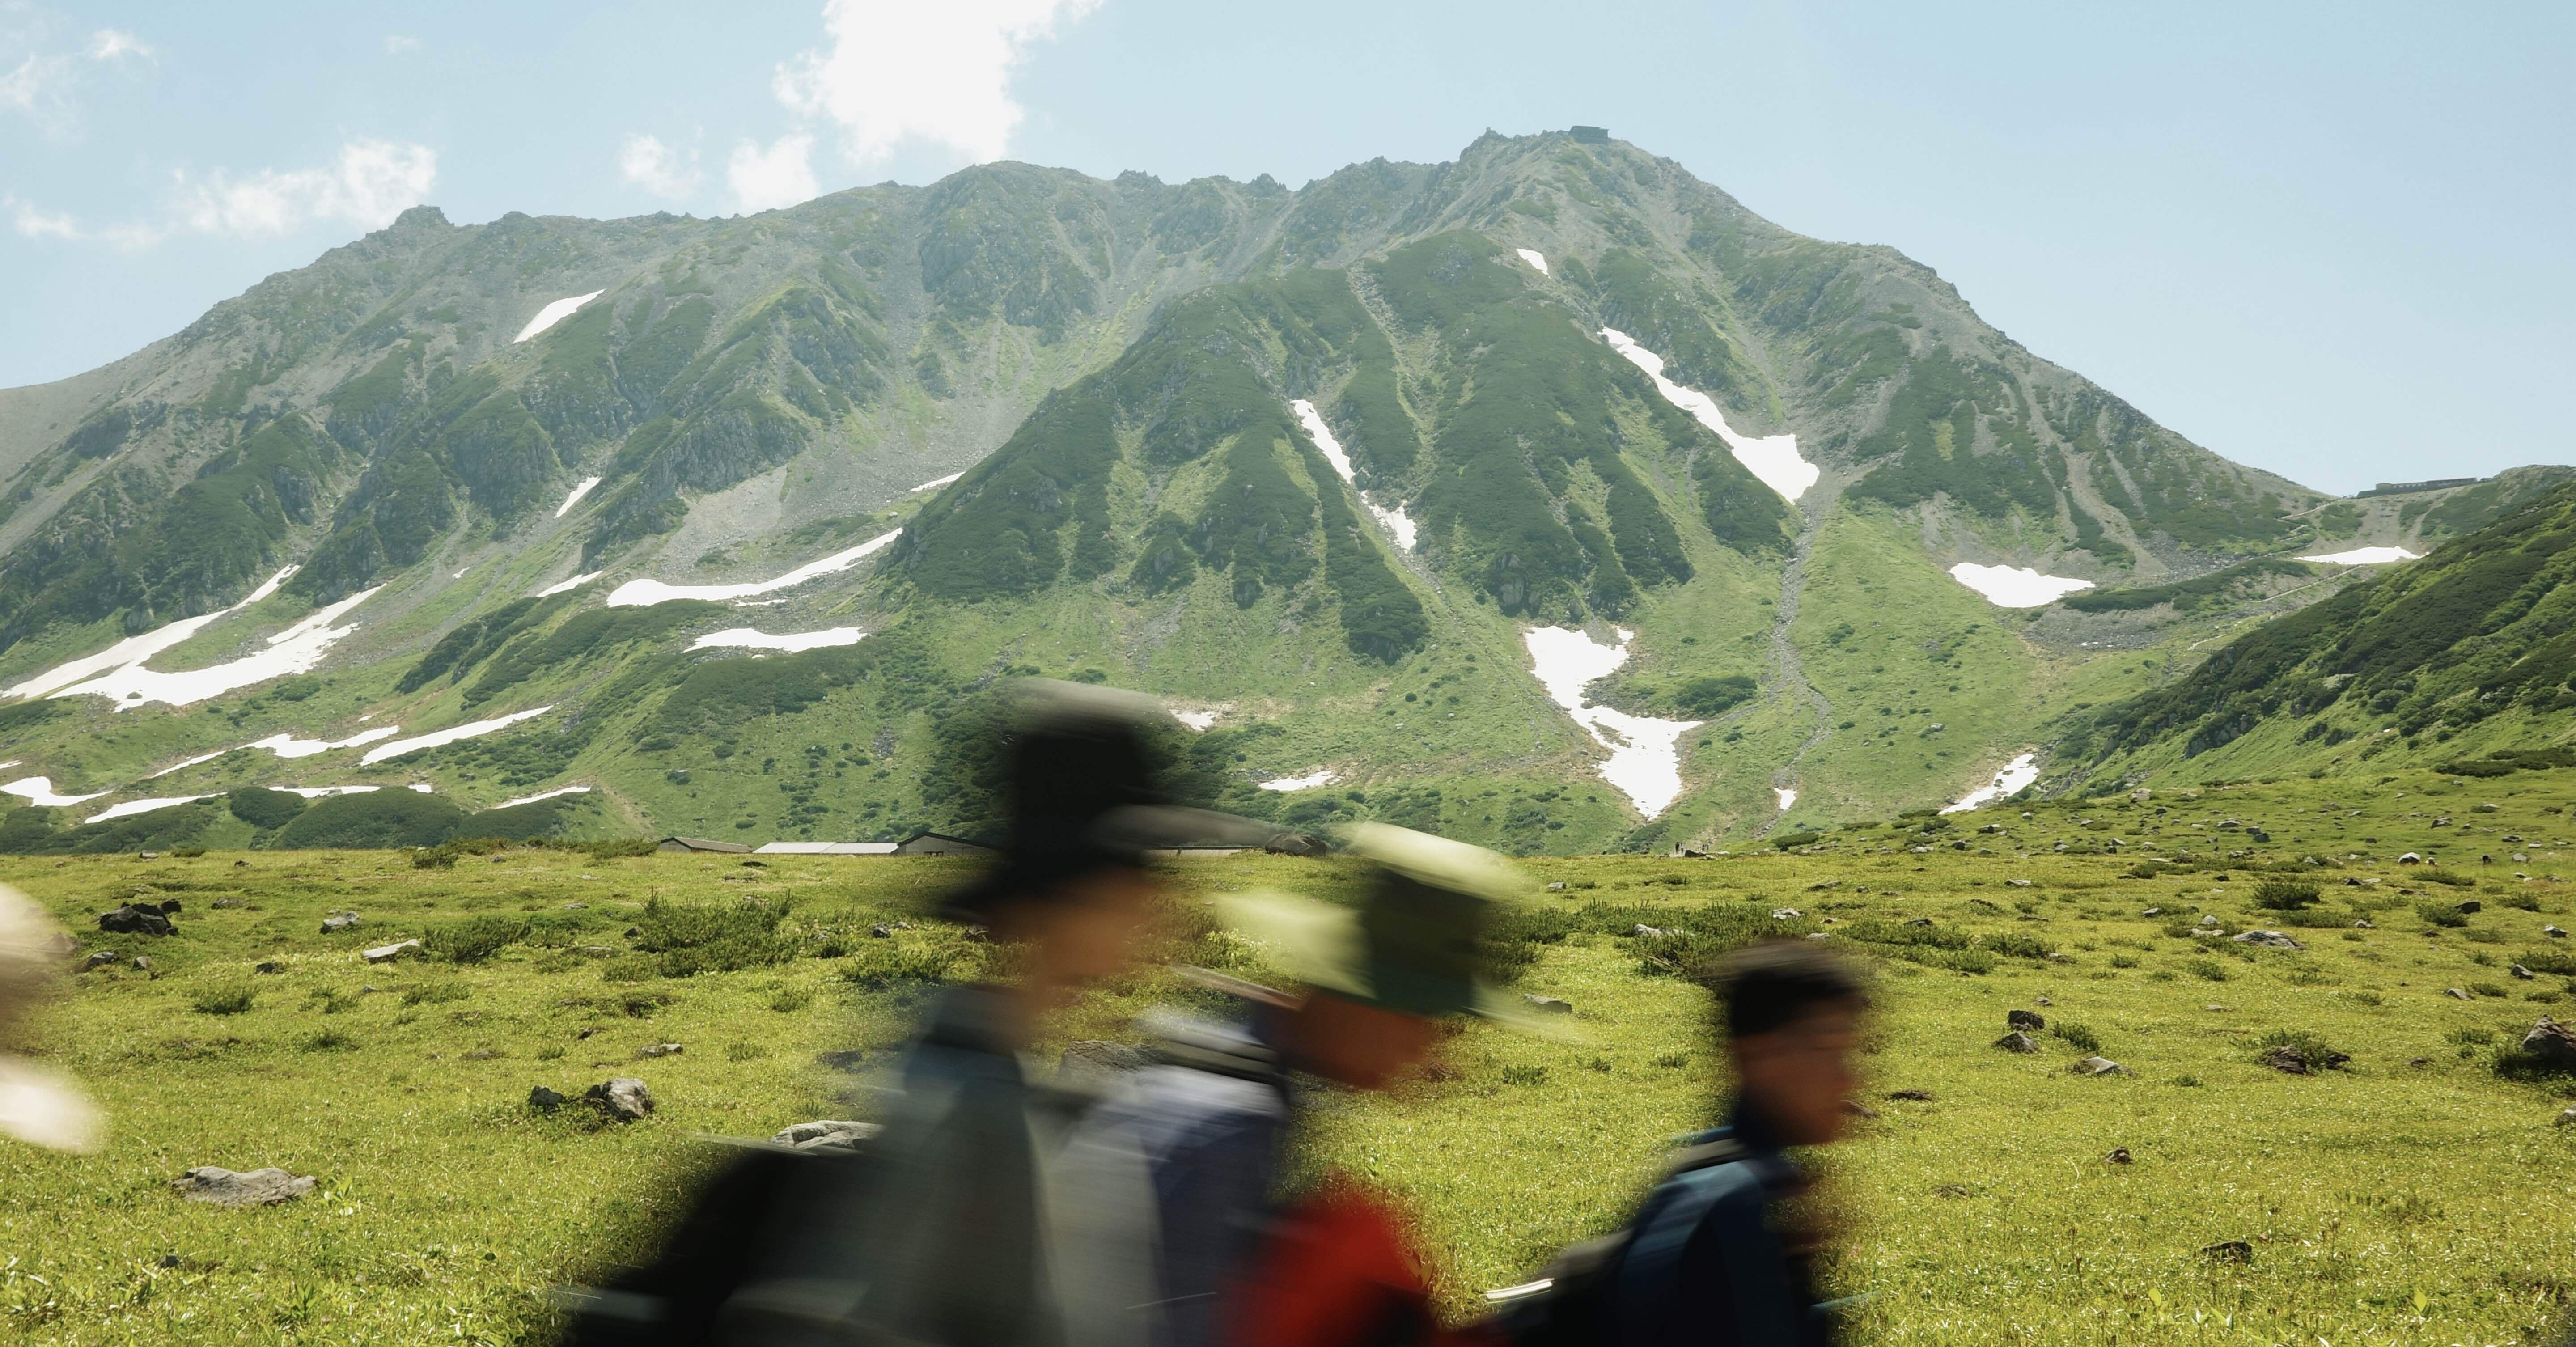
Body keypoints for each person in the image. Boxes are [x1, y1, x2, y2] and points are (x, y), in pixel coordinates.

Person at [708, 680, 1268, 1347]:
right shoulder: (970, 1104)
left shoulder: (1003, 1074)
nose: (1161, 907)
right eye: (1139, 880)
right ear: (1080, 893)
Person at [1081, 822, 1529, 1347]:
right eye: (1424, 1019)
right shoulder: (1234, 1132)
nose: (1430, 1050)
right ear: (1367, 1006)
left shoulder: (1220, 1062)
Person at [1610, 941, 1868, 1347]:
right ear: (1760, 1055)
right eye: (1826, 1050)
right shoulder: (1743, 1205)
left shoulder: (1697, 1163)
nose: (1847, 1080)